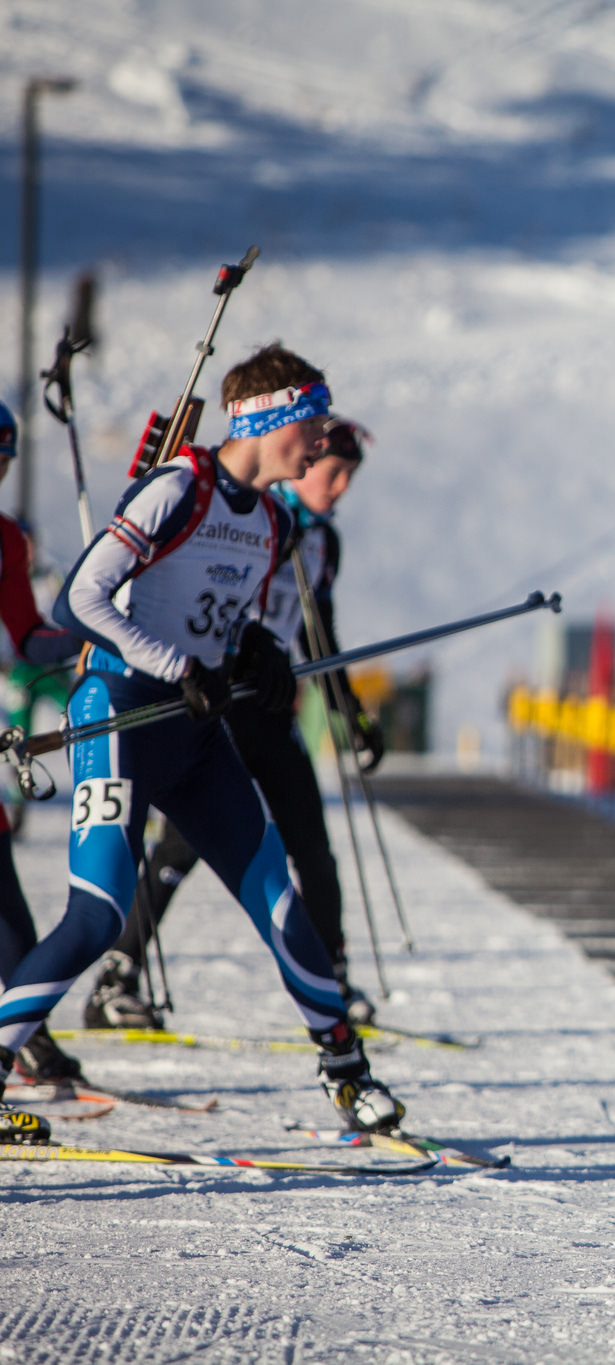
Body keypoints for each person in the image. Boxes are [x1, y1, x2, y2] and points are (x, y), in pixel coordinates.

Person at [0, 344, 404, 1138]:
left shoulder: (273, 521)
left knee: (278, 899)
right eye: (314, 424)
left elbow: (216, 618)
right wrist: (177, 664)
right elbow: (82, 600)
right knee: (98, 915)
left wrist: (256, 649)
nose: (322, 441)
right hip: (120, 715)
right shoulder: (180, 488)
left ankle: (347, 1072)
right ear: (271, 420)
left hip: (194, 732)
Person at [84, 417, 384, 1031]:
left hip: (271, 709)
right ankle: (117, 974)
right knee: (180, 846)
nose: (340, 487)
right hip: (217, 699)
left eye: (350, 476)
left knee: (311, 846)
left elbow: (319, 631)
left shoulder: (323, 541)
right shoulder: (264, 518)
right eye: (333, 472)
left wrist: (349, 713)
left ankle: (330, 976)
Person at [0, 402, 88, 1087]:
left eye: (3, 463)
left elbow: (28, 636)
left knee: (6, 901)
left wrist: (88, 636)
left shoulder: (7, 540)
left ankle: (26, 1036)